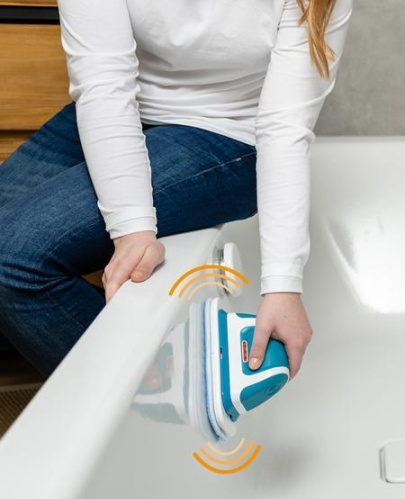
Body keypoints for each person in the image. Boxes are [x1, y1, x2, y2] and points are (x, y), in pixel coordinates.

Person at [0, 0, 353, 379]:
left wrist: (283, 286)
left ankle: (156, 395)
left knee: (14, 260)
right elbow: (105, 84)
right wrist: (132, 228)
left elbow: (284, 127)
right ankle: (156, 372)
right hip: (119, 105)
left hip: (229, 135)